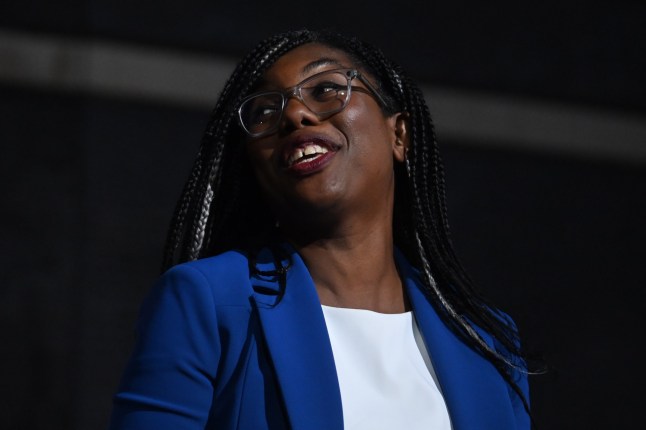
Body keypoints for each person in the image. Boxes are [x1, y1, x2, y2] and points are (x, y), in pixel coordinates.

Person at [109, 29, 531, 430]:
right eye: (264, 111)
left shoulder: (487, 339)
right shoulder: (208, 300)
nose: (294, 113)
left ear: (399, 134)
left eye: (327, 89)